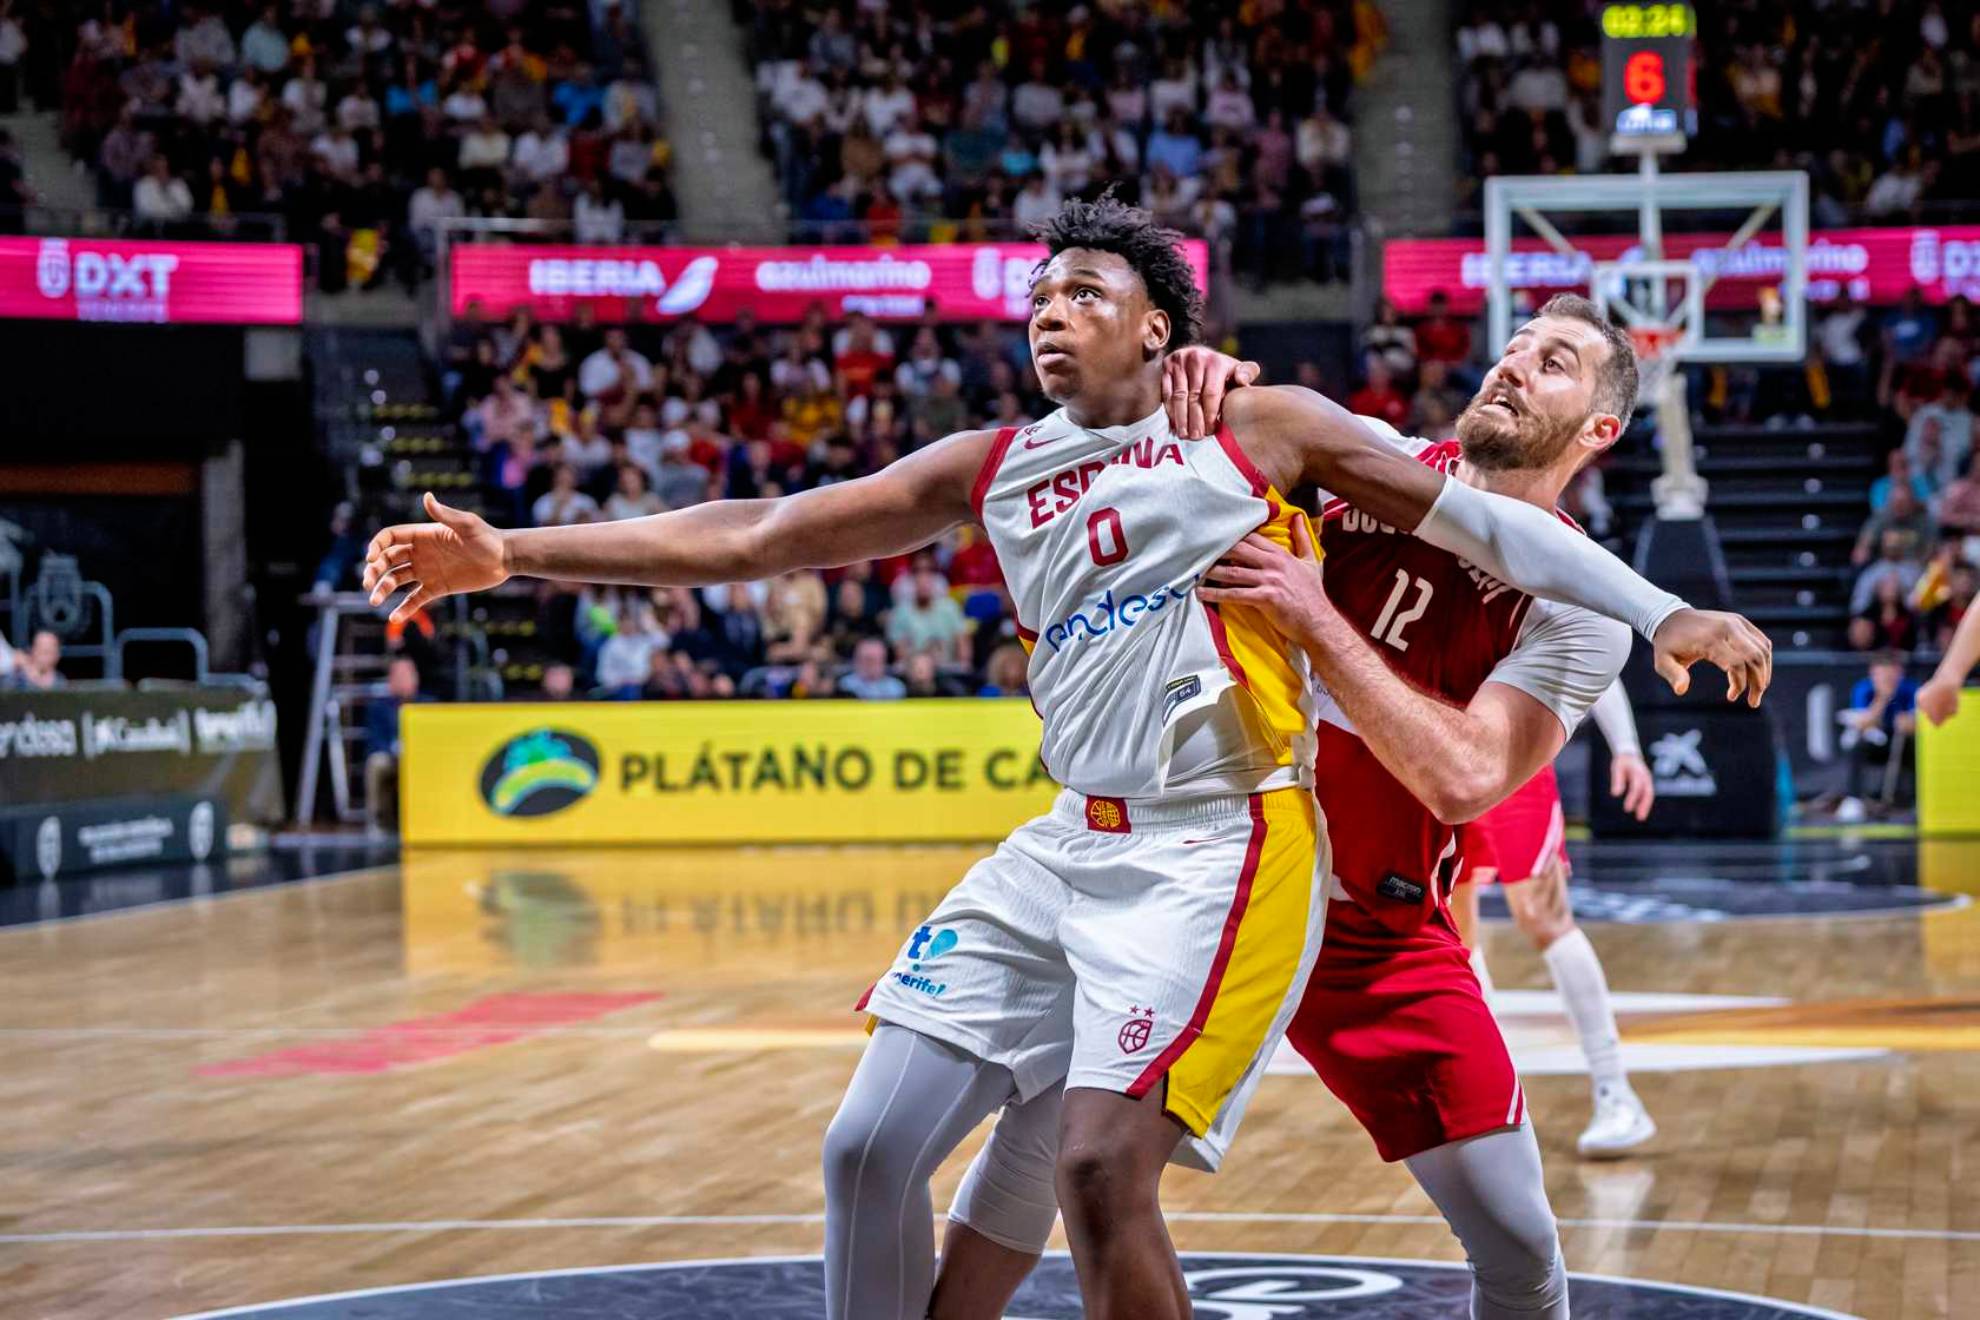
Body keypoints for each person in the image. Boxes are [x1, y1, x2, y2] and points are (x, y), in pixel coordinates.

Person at [363, 197, 1767, 1320]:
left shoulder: (1266, 441)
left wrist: (1662, 611)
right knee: (880, 1151)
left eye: (1084, 293)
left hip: (1253, 862)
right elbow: (759, 530)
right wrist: (518, 554)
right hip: (1071, 844)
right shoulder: (1004, 464)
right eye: (1038, 297)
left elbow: (1492, 613)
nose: (1049, 311)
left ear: (1162, 332)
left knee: (1148, 1176)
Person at [1146, 300, 1766, 1314]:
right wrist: (1205, 387)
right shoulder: (1365, 455)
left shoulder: (1580, 610)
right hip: (1203, 885)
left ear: (1599, 431)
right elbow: (1193, 440)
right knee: (1084, 1171)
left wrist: (1314, 616)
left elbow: (1465, 779)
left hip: (1368, 931)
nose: (1513, 366)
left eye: (1553, 362)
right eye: (1513, 347)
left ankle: (1613, 1090)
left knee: (1523, 1245)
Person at [1447, 680, 1660, 1158]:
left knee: (1544, 918)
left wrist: (1625, 746)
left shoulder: (1533, 602)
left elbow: (1595, 639)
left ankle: (1615, 1090)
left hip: (1513, 755)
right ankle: (1485, 1097)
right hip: (1441, 752)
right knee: (1454, 938)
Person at [362, 656, 424, 830]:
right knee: (375, 763)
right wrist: (393, 750)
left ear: (415, 678)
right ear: (391, 680)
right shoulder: (378, 707)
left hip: (420, 758)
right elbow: (375, 741)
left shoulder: (427, 705)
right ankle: (376, 820)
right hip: (391, 756)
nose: (404, 680)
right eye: (399, 676)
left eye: (407, 675)